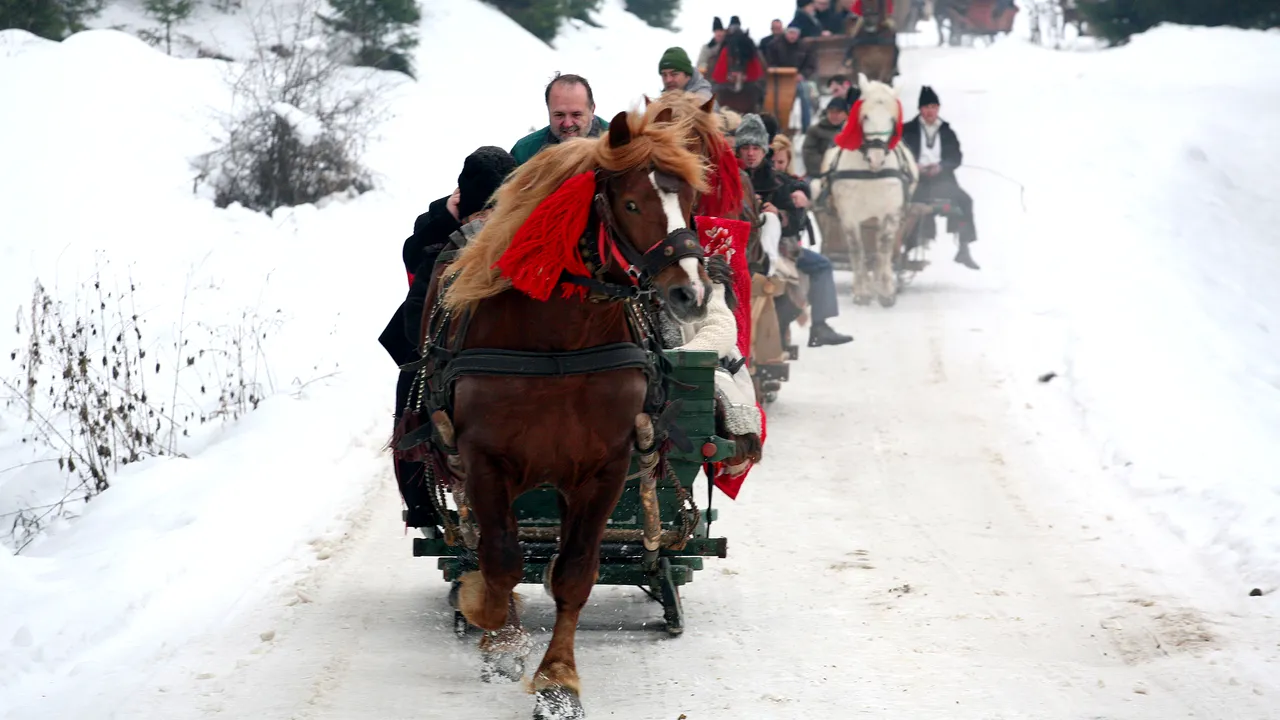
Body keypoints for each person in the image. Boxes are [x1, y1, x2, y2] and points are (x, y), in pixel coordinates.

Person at [378, 146, 518, 527]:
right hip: (443, 338)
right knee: (412, 389)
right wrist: (446, 224)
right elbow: (417, 291)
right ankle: (421, 500)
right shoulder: (436, 227)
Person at [735, 114, 852, 347]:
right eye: (745, 147)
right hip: (736, 248)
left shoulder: (779, 182)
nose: (750, 153)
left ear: (763, 150)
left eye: (755, 147)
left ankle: (815, 326)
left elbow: (797, 220)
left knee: (803, 274)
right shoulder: (730, 179)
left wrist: (779, 214)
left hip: (779, 250)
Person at [901, 86, 980, 270]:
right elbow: (900, 154)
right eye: (926, 107)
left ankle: (964, 248)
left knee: (965, 201)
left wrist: (941, 167)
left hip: (941, 180)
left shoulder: (946, 131)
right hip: (915, 181)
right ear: (920, 109)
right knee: (908, 208)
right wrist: (915, 167)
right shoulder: (907, 130)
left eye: (934, 107)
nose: (930, 111)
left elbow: (956, 157)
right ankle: (905, 246)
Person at [509, 73, 609, 166]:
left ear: (592, 110)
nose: (567, 124)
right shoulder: (525, 153)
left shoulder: (619, 143)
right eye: (559, 115)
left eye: (576, 114)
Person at [764, 24, 818, 131]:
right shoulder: (774, 45)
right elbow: (770, 62)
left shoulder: (805, 46)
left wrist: (802, 75)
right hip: (779, 80)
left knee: (805, 93)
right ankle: (776, 125)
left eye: (795, 34)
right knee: (772, 98)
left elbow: (811, 65)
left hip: (797, 79)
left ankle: (806, 127)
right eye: (791, 33)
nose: (793, 36)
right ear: (786, 32)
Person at [802, 96, 848, 179]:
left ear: (845, 114)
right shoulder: (815, 130)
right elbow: (809, 153)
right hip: (820, 174)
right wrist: (827, 167)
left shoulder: (850, 132)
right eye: (831, 112)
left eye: (838, 112)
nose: (834, 116)